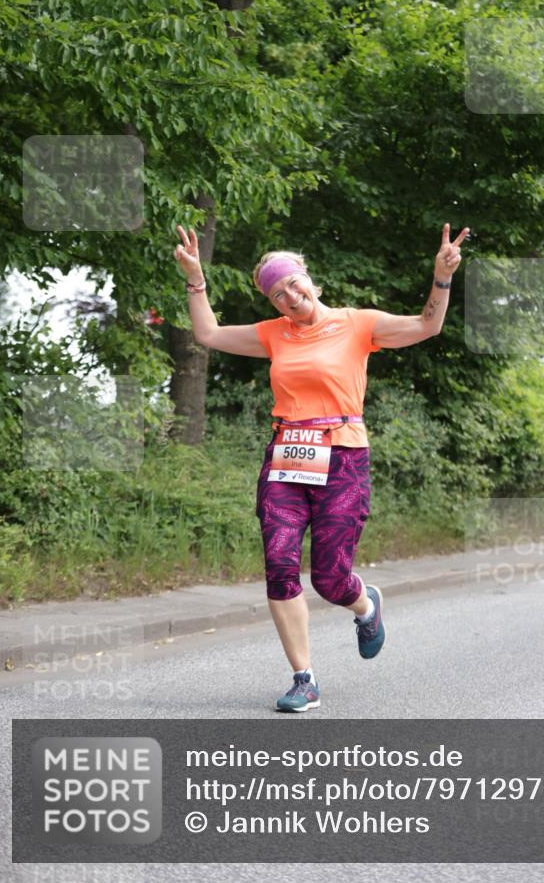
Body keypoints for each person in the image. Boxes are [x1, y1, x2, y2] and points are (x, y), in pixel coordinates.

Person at [174, 222, 468, 712]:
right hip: (287, 457)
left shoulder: (359, 324)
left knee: (330, 579)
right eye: (276, 294)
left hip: (344, 456)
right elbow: (206, 333)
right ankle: (303, 678)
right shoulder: (274, 335)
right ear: (273, 304)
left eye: (293, 283)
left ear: (310, 280)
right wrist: (195, 278)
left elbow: (427, 326)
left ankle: (365, 604)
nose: (289, 296)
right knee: (279, 564)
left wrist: (442, 276)